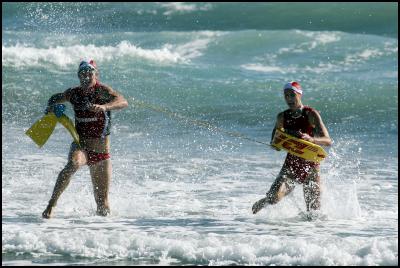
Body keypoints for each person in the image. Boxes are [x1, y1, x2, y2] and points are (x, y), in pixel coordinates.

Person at [42, 59, 128, 218]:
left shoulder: (102, 91)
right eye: (82, 73)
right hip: (81, 146)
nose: (86, 76)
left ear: (96, 74)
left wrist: (104, 107)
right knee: (73, 164)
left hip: (102, 154)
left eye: (90, 73)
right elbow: (54, 98)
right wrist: (50, 108)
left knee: (102, 205)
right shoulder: (74, 93)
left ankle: (101, 232)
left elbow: (123, 102)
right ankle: (51, 204)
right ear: (78, 76)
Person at [252, 81, 332, 215]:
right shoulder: (282, 117)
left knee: (314, 213)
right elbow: (275, 141)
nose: (289, 99)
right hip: (291, 165)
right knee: (273, 197)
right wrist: (277, 144)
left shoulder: (310, 114)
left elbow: (328, 140)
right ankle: (266, 201)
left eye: (292, 95)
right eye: (286, 95)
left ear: (300, 95)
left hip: (311, 167)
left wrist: (311, 139)